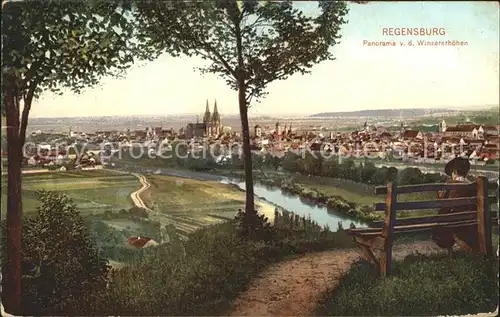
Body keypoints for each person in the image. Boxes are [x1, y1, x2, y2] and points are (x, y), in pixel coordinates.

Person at [432, 156, 478, 254]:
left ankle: (450, 249)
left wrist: (439, 193)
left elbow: (442, 202)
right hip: (470, 218)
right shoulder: (472, 185)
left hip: (453, 218)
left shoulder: (449, 184)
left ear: (455, 172)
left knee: (442, 219)